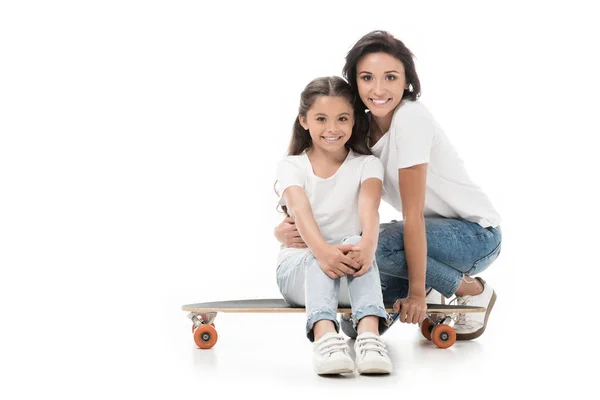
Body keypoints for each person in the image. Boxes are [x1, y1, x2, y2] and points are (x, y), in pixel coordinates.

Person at [275, 31, 502, 341]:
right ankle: (427, 285)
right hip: (430, 232)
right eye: (367, 78)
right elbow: (324, 190)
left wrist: (416, 295)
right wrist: (284, 231)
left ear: (406, 81)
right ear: (355, 83)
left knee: (373, 246)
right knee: (353, 326)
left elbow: (412, 215)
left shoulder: (410, 119)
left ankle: (470, 289)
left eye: (390, 77)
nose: (378, 89)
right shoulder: (357, 126)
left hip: (474, 235)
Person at [275, 75, 393, 375]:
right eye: (321, 119)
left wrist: (367, 245)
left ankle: (369, 337)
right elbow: (300, 211)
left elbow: (370, 207)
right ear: (304, 121)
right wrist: (324, 252)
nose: (332, 128)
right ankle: (325, 336)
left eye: (342, 118)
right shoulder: (293, 166)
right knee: (321, 252)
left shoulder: (367, 165)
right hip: (298, 274)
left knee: (355, 240)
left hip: (352, 276)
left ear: (354, 121)